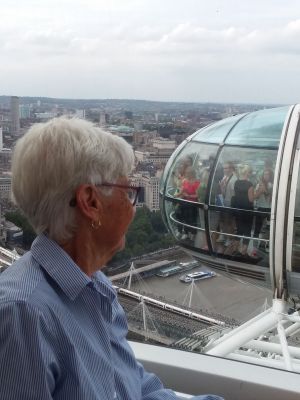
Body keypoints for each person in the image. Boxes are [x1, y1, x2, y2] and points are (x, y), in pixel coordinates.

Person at [0, 117, 223, 400]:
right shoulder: (21, 315)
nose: (132, 209)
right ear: (90, 202)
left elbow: (135, 391)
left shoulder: (97, 288)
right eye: (129, 193)